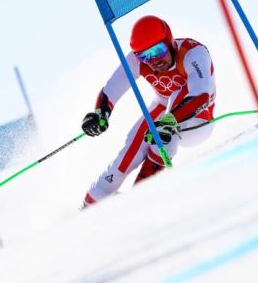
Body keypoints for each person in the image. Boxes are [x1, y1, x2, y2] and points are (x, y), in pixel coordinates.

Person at [80, 15, 216, 208]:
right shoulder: (137, 61)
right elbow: (111, 90)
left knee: (172, 105)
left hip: (198, 120)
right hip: (164, 110)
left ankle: (143, 194)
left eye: (158, 51)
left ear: (169, 42)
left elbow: (202, 95)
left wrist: (171, 119)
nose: (153, 61)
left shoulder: (192, 52)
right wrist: (100, 113)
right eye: (145, 56)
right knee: (134, 144)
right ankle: (92, 202)